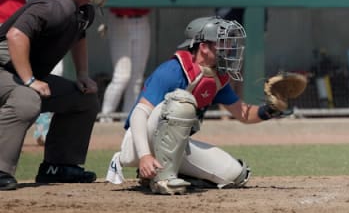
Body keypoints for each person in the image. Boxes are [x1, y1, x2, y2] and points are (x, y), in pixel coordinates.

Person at [105, 16, 288, 195]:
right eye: (222, 43)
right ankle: (162, 178)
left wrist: (272, 109)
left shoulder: (214, 77)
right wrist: (145, 155)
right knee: (181, 101)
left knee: (235, 175)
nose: (230, 48)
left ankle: (167, 173)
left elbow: (244, 114)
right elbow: (139, 114)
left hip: (173, 146)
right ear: (203, 47)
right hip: (138, 143)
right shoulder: (173, 69)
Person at [0, 0, 112, 191]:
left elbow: (79, 36)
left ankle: (59, 166)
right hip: (4, 69)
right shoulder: (54, 4)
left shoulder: (84, 9)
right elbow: (15, 35)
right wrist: (30, 80)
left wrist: (82, 75)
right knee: (27, 99)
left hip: (16, 73)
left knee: (84, 98)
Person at [100, 0, 190, 121]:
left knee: (136, 78)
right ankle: (105, 118)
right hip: (120, 19)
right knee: (122, 76)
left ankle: (127, 118)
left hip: (141, 20)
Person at [32, 0, 78, 145]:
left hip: (68, 24)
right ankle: (42, 125)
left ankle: (47, 124)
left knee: (64, 76)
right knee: (51, 70)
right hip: (44, 24)